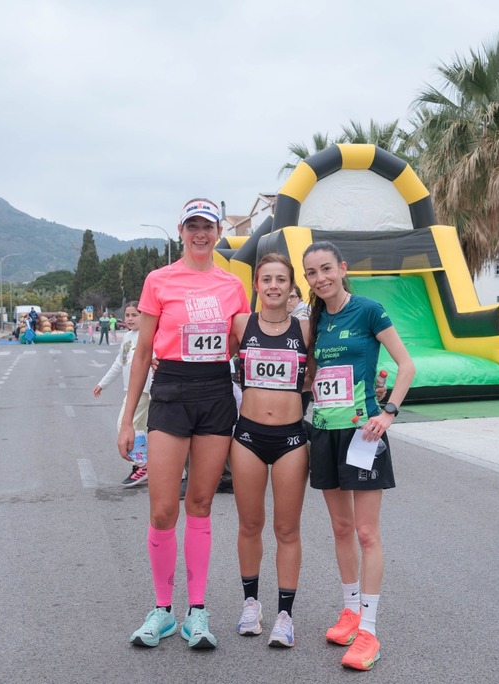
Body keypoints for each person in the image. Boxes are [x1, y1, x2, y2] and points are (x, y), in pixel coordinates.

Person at [119, 198, 249, 651]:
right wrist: (126, 419)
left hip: (215, 392)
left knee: (200, 504)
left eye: (207, 227)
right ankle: (161, 611)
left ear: (217, 233)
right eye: (192, 226)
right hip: (171, 390)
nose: (200, 234)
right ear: (181, 231)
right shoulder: (159, 280)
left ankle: (197, 612)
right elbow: (142, 353)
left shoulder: (232, 285)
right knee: (162, 509)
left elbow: (247, 341)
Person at [302, 241, 415, 671]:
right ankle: (350, 611)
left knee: (367, 533)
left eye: (326, 269)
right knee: (340, 528)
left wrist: (387, 413)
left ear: (342, 268)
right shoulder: (313, 321)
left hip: (364, 434)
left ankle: (368, 630)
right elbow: (310, 375)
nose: (320, 278)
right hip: (325, 433)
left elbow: (406, 365)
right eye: (312, 273)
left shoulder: (368, 310)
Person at [229, 253, 312, 648]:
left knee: (287, 528)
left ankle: (284, 614)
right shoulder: (241, 324)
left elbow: (330, 366)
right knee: (249, 524)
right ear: (257, 285)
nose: (274, 286)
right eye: (267, 279)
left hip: (291, 440)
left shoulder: (306, 329)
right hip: (247, 436)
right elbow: (205, 355)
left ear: (291, 286)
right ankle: (250, 605)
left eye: (281, 279)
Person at [94, 302, 151, 486]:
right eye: (127, 315)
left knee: (126, 426)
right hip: (133, 390)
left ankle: (143, 466)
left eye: (135, 315)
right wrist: (103, 384)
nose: (130, 319)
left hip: (147, 390)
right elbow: (119, 363)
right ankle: (144, 464)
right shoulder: (127, 337)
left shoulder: (150, 335)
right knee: (137, 429)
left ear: (144, 316)